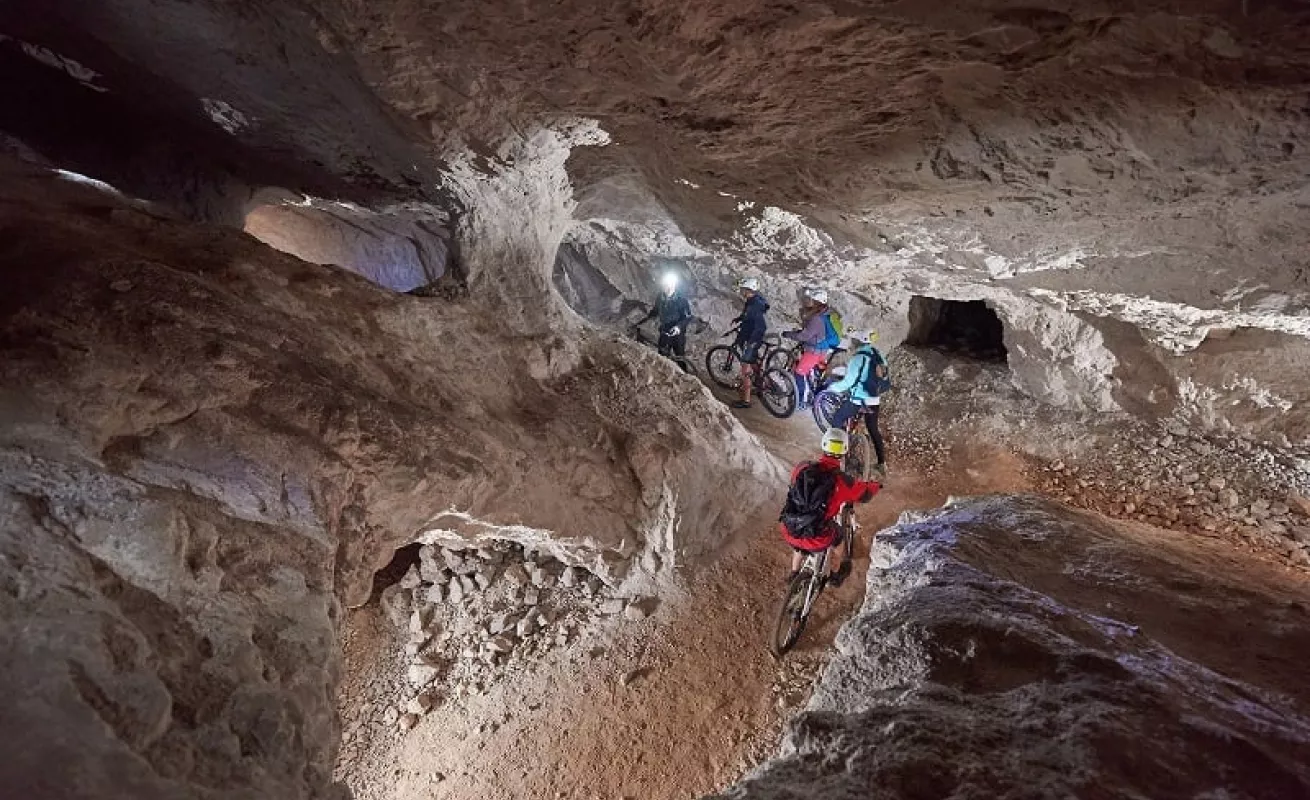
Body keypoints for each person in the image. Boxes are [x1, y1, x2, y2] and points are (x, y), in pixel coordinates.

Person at [779, 429, 881, 588]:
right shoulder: (841, 481)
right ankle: (835, 574)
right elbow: (865, 494)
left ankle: (794, 573)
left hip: (789, 528)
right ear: (844, 450)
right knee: (839, 539)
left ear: (824, 445)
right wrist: (876, 485)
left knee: (801, 537)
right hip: (817, 538)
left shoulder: (802, 468)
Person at [825, 329, 889, 477]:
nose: (851, 344)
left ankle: (836, 456)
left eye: (853, 341)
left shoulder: (858, 358)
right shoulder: (878, 355)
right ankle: (881, 464)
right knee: (873, 429)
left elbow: (849, 382)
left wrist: (833, 387)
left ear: (858, 342)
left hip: (859, 400)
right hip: (874, 400)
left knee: (838, 419)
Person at [783, 287, 839, 409]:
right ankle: (816, 398)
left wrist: (790, 335)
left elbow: (805, 336)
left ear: (816, 302)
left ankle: (800, 402)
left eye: (812, 300)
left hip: (814, 351)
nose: (810, 301)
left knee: (799, 373)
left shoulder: (816, 318)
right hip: (823, 350)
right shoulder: (826, 313)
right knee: (814, 373)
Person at [634, 271, 694, 372]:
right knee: (662, 356)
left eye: (669, 285)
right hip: (664, 330)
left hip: (678, 334)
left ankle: (684, 376)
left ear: (674, 285)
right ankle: (664, 375)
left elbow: (687, 317)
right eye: (665, 285)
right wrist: (644, 320)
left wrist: (678, 327)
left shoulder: (681, 300)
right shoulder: (660, 297)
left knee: (679, 357)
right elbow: (656, 311)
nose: (667, 287)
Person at [729, 277, 769, 409]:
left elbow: (760, 326)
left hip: (752, 338)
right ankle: (760, 382)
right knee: (753, 362)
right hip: (749, 336)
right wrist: (739, 318)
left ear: (748, 290)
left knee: (745, 369)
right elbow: (747, 315)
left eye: (743, 289)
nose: (741, 291)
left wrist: (751, 342)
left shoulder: (755, 305)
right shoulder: (752, 301)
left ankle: (745, 401)